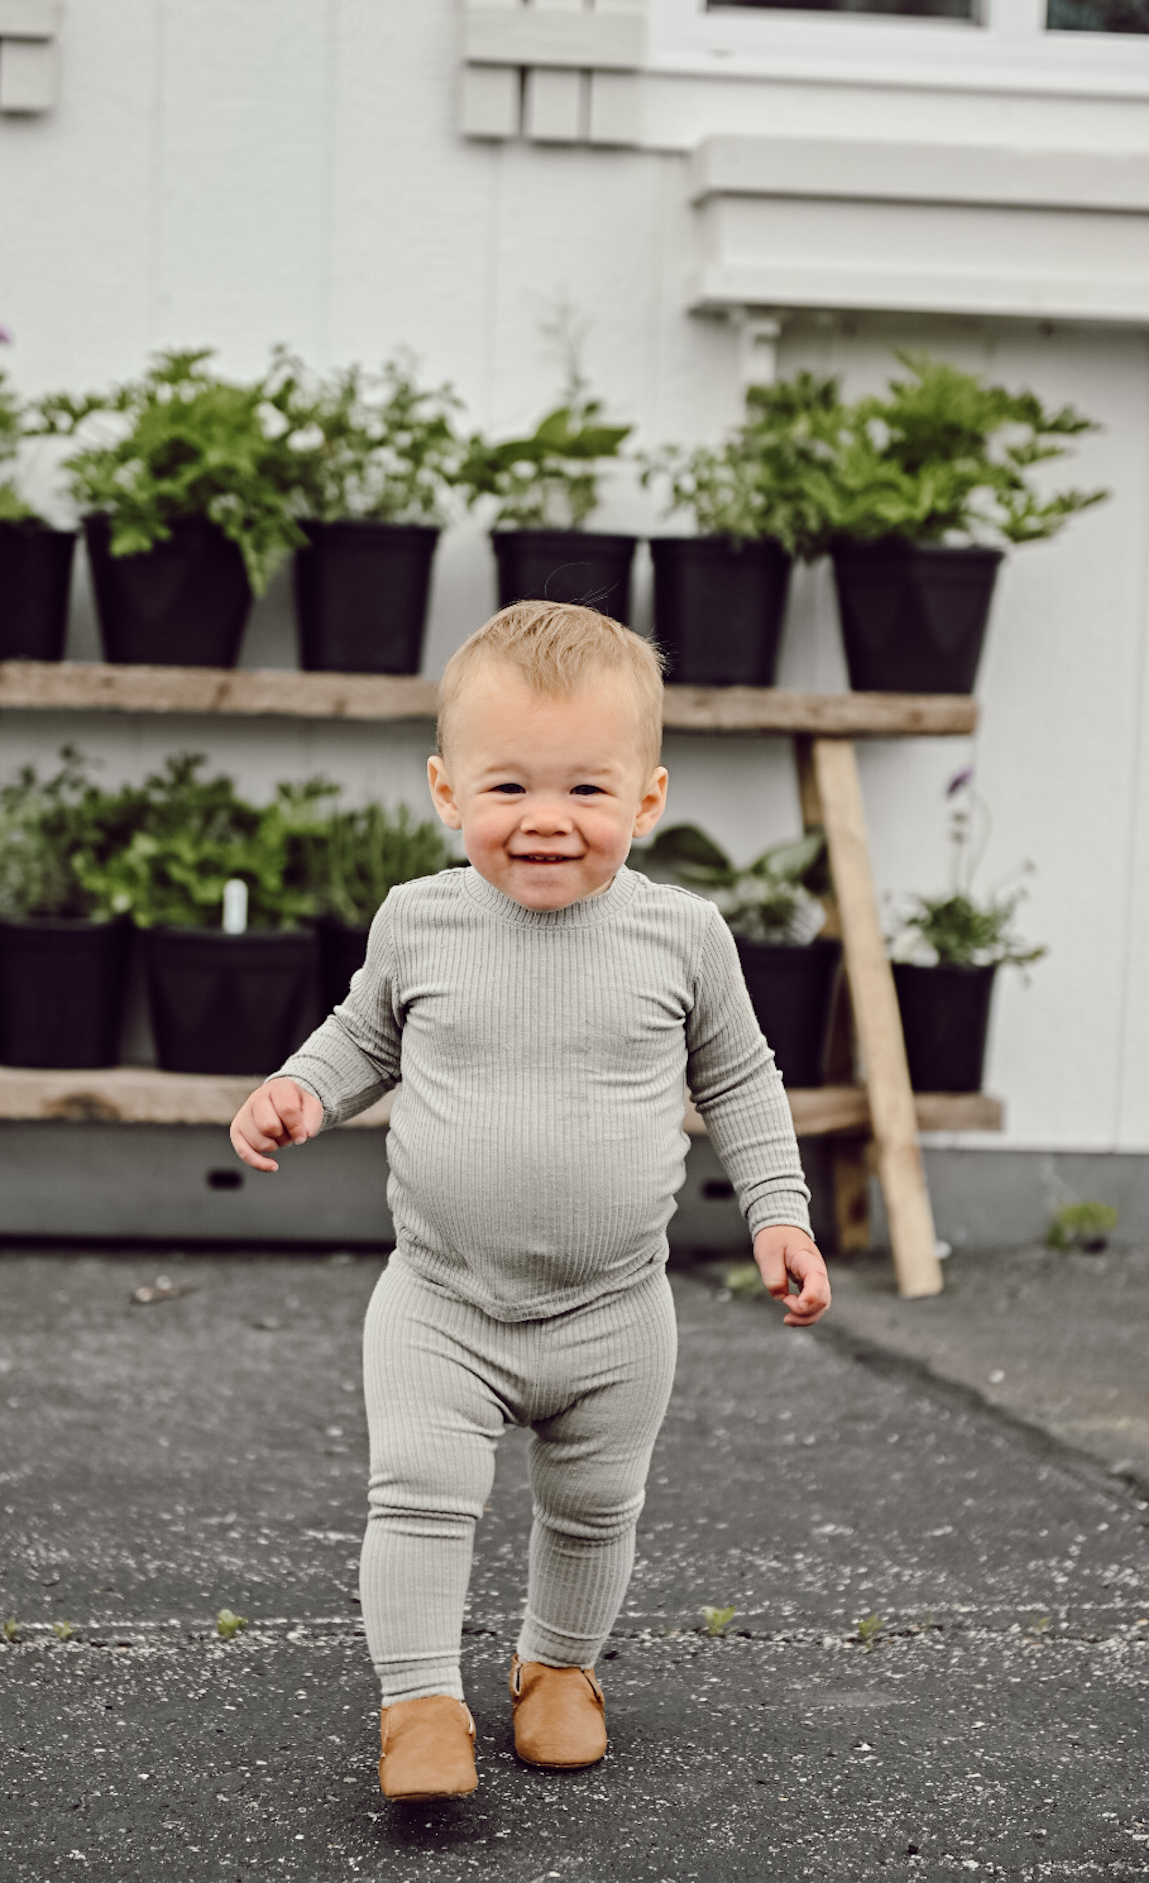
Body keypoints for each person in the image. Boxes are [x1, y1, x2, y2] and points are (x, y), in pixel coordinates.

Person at [230, 600, 831, 1803]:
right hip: (442, 1300)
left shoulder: (682, 933)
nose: (546, 820)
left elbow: (741, 1076)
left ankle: (556, 1667)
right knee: (418, 1492)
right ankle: (419, 1700)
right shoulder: (423, 917)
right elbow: (363, 1036)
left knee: (597, 1505)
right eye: (508, 788)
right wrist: (304, 1089)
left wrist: (781, 1209)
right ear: (448, 793)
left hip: (614, 1308)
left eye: (587, 792)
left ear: (648, 798)